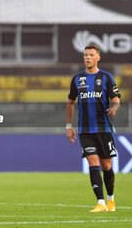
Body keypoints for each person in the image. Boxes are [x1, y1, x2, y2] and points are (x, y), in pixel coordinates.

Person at [66, 44, 120, 212]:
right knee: (93, 162)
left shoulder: (106, 77)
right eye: (85, 55)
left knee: (107, 166)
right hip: (85, 130)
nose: (87, 57)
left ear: (98, 57)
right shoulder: (77, 79)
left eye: (91, 55)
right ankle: (100, 202)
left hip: (104, 129)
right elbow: (70, 102)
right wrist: (69, 125)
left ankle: (111, 199)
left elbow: (116, 99)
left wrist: (113, 109)